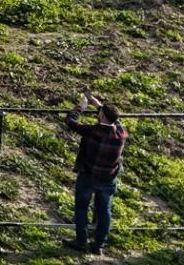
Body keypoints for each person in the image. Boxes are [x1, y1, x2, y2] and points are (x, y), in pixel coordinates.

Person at [63, 93, 128, 254]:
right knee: (105, 211)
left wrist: (81, 107)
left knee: (81, 208)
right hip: (109, 179)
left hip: (88, 176)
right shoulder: (121, 133)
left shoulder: (92, 131)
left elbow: (71, 121)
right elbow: (115, 120)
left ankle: (81, 241)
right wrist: (98, 105)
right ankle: (98, 245)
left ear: (102, 116)